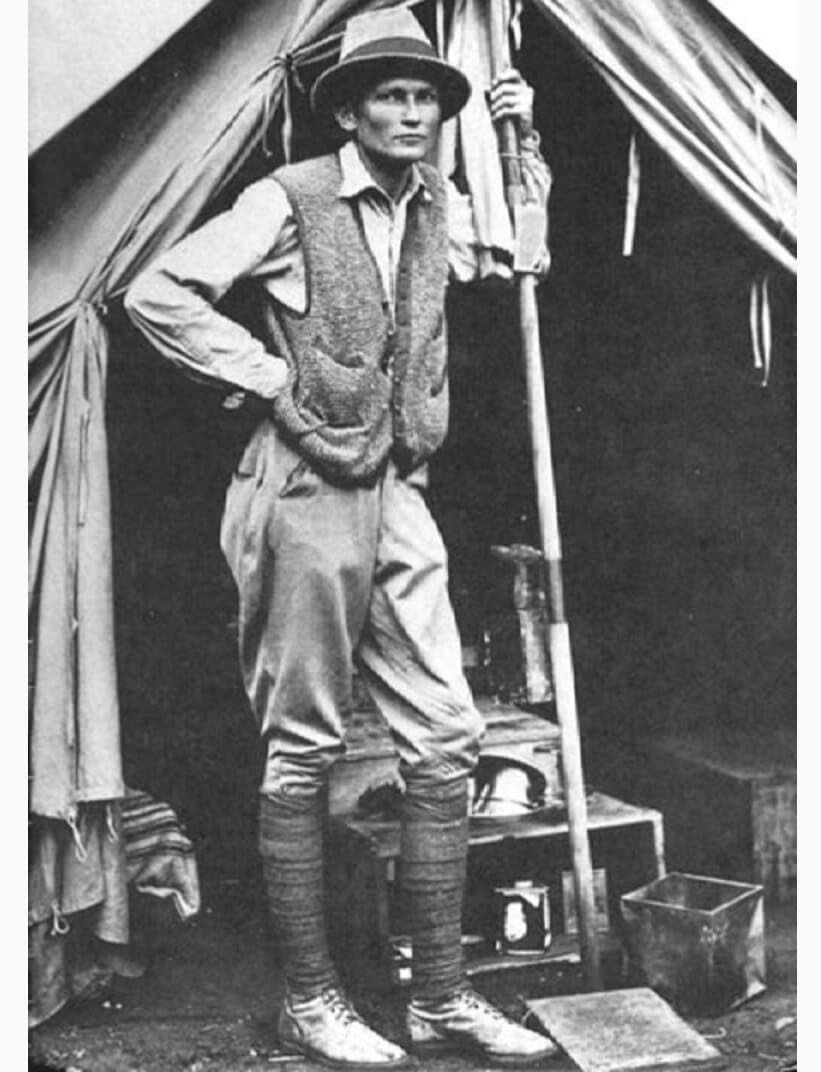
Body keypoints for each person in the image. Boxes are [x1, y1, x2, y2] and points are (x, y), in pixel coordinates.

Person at [125, 7, 557, 1069]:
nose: (410, 111)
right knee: (306, 744)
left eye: (425, 96)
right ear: (351, 110)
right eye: (390, 96)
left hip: (394, 485)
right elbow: (156, 291)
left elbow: (522, 260)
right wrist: (273, 381)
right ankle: (311, 1001)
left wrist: (525, 147)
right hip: (301, 489)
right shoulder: (290, 197)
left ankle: (441, 997)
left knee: (448, 731)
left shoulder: (434, 201)